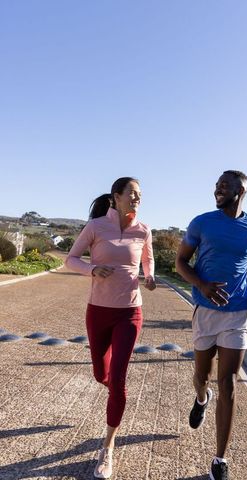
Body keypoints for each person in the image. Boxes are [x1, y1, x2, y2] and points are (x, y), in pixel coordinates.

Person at [175, 170, 247, 480]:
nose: (217, 189)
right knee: (202, 376)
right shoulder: (202, 222)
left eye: (224, 186)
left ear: (240, 190)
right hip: (205, 311)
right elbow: (180, 263)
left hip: (238, 313)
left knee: (228, 383)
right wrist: (202, 285)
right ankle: (201, 398)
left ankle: (219, 460)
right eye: (216, 185)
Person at [65, 177, 156, 479]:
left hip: (130, 312)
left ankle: (107, 449)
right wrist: (92, 269)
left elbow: (148, 261)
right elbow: (71, 259)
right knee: (99, 374)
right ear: (116, 197)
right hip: (98, 311)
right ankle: (115, 393)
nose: (137, 199)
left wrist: (150, 276)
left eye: (140, 195)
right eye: (132, 193)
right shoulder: (95, 228)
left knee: (118, 379)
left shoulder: (143, 230)